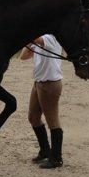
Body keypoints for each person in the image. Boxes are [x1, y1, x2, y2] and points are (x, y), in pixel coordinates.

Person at [20, 35, 63, 169]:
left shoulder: (51, 37)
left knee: (53, 121)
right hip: (38, 82)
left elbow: (36, 38)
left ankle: (56, 158)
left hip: (50, 84)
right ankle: (45, 150)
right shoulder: (40, 39)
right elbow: (23, 56)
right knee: (33, 117)